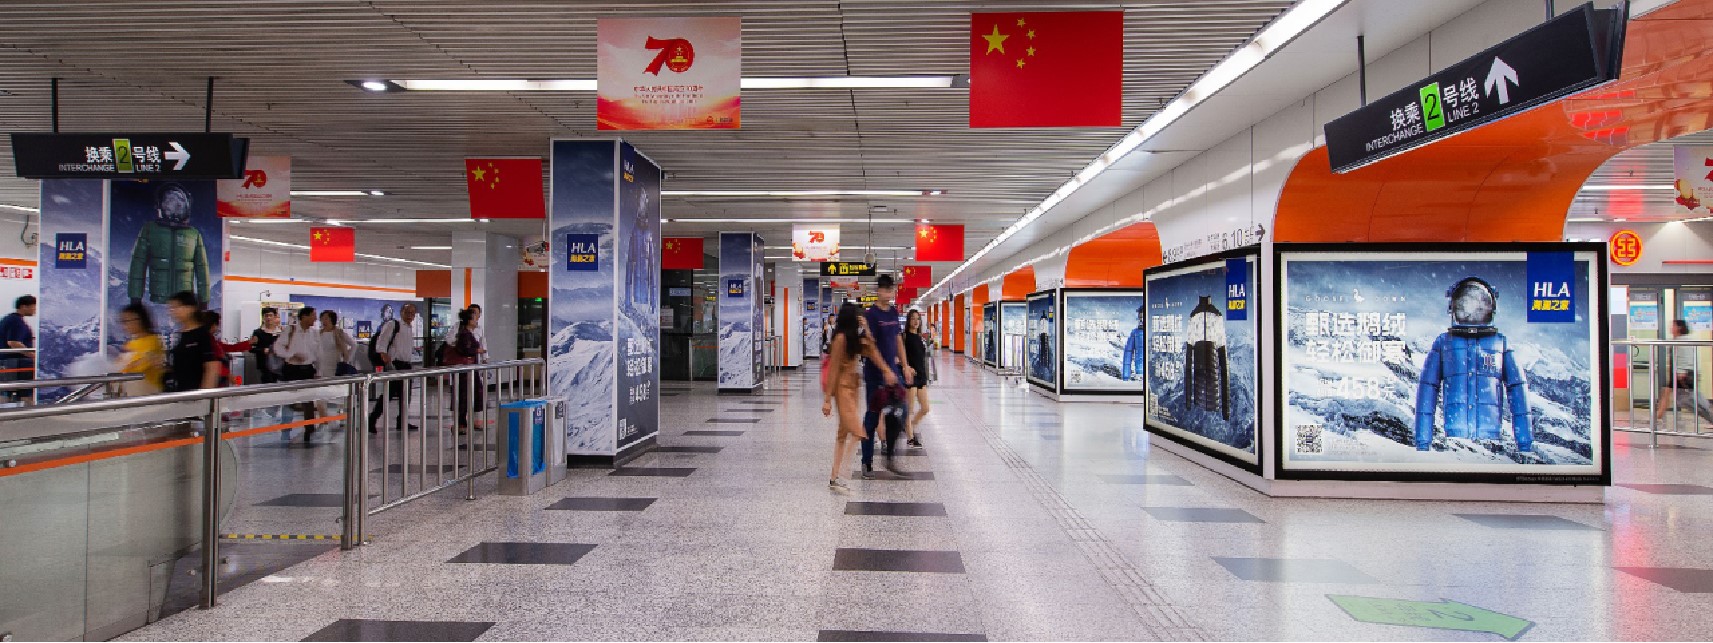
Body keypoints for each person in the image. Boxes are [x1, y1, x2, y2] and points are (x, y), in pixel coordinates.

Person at [824, 303, 891, 490]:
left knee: (842, 434)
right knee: (858, 431)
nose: (860, 319)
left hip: (853, 388)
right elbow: (833, 369)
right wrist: (827, 399)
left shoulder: (854, 339)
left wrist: (867, 328)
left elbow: (871, 348)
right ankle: (843, 474)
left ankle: (834, 477)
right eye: (858, 317)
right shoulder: (840, 339)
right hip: (842, 388)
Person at [859, 275, 910, 479]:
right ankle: (866, 462)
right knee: (872, 418)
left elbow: (898, 340)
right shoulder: (871, 315)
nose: (888, 294)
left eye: (891, 291)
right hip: (875, 375)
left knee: (902, 411)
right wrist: (885, 370)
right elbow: (870, 348)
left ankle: (888, 455)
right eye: (885, 290)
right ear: (878, 291)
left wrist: (905, 365)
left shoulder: (893, 312)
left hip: (893, 373)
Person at [369, 303, 420, 433]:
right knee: (388, 394)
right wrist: (384, 354)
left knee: (405, 395)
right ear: (401, 312)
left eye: (412, 313)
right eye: (407, 312)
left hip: (406, 365)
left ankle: (402, 421)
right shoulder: (393, 324)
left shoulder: (409, 328)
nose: (409, 315)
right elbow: (382, 341)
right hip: (395, 364)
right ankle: (372, 419)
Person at [275, 307, 323, 435]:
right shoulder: (291, 330)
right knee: (289, 399)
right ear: (304, 317)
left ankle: (309, 429)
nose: (315, 318)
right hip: (292, 369)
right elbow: (277, 347)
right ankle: (286, 427)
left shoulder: (314, 333)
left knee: (308, 400)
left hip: (308, 369)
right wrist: (290, 355)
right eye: (313, 315)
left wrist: (318, 372)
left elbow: (318, 354)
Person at [1657, 319, 1713, 424]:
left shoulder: (1684, 341)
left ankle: (1710, 416)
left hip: (1683, 374)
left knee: (1690, 400)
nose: (1671, 328)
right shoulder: (1677, 340)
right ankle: (1658, 417)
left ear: (1679, 328)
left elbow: (1687, 358)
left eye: (1673, 325)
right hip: (1679, 372)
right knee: (1667, 392)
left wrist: (1682, 371)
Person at [164, 292, 221, 393]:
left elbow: (211, 367)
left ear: (190, 308)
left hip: (195, 394)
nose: (173, 311)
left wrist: (203, 396)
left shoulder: (202, 334)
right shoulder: (180, 334)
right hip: (180, 392)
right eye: (172, 308)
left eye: (177, 307)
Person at [446, 308, 486, 433]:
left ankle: (465, 422)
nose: (476, 320)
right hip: (464, 371)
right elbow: (463, 349)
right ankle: (460, 424)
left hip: (469, 370)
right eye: (474, 318)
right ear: (469, 320)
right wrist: (477, 350)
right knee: (463, 396)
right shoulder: (465, 334)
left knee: (469, 396)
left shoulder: (469, 332)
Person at [115, 303, 166, 396]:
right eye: (123, 321)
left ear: (140, 319)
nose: (125, 325)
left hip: (147, 394)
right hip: (130, 394)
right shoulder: (129, 344)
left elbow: (140, 366)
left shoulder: (153, 341)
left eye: (128, 321)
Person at [902, 309, 931, 448]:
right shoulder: (904, 337)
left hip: (921, 376)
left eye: (917, 318)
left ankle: (910, 426)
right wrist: (907, 367)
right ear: (908, 321)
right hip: (911, 377)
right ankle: (910, 438)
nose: (915, 321)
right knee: (910, 410)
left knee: (925, 408)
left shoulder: (920, 338)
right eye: (913, 318)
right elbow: (899, 357)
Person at [0, 295, 35, 398]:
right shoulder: (16, 322)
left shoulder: (8, 319)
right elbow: (14, 343)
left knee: (8, 393)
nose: (34, 310)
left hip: (8, 362)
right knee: (22, 394)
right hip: (16, 363)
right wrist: (32, 355)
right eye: (33, 307)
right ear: (24, 307)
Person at [248, 307, 284, 384]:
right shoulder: (258, 332)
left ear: (275, 317)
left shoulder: (281, 332)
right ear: (263, 317)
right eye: (266, 315)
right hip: (264, 366)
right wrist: (263, 350)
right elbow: (251, 348)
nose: (268, 318)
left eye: (271, 315)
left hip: (280, 364)